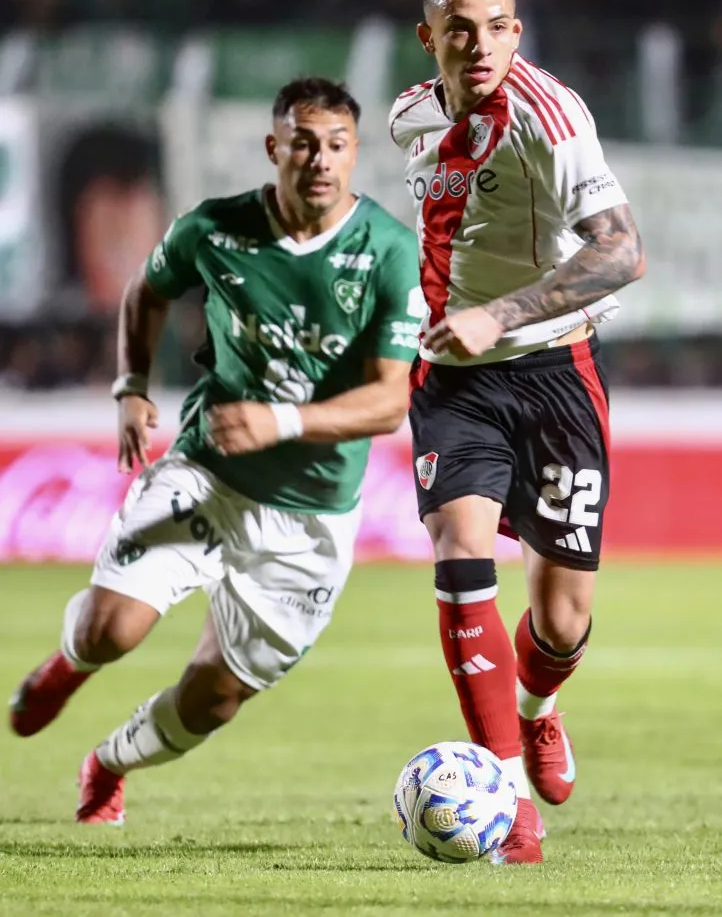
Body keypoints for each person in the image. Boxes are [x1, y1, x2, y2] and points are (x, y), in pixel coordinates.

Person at [9, 76, 422, 825]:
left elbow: (391, 400)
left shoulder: (389, 252)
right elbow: (146, 290)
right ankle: (69, 666)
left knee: (215, 699)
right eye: (303, 143)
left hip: (312, 518)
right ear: (274, 148)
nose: (319, 160)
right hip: (207, 475)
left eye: (335, 145)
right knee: (112, 630)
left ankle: (108, 763)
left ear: (354, 153)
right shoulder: (215, 229)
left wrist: (283, 423)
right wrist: (132, 383)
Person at [389, 0, 645, 864]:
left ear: (517, 31)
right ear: (430, 38)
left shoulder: (552, 117)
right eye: (461, 28)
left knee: (562, 620)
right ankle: (505, 796)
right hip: (455, 380)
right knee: (460, 552)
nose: (482, 44)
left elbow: (621, 254)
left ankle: (538, 713)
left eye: (499, 25)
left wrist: (497, 313)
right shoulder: (410, 117)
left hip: (555, 374)